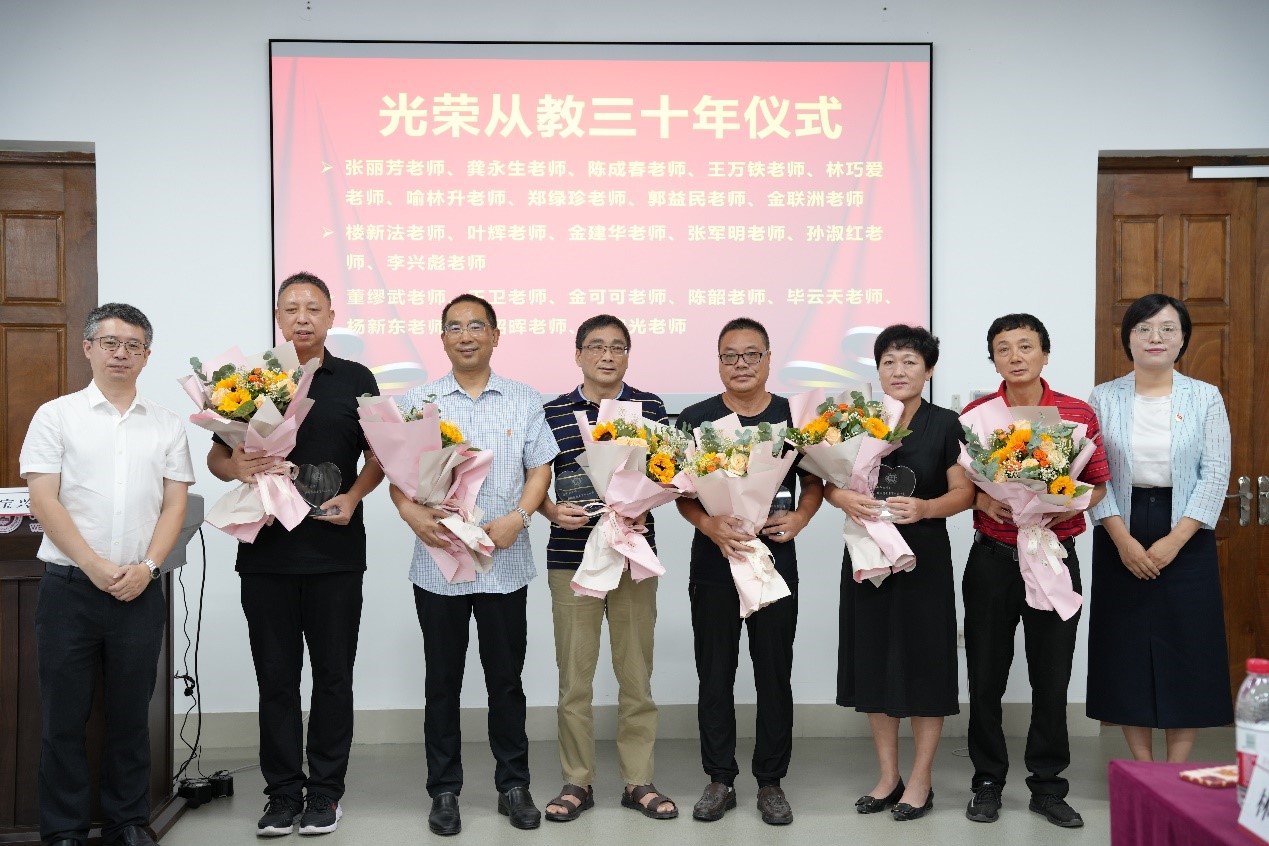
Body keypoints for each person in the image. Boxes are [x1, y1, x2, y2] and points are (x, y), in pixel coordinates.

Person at [207, 271, 384, 837]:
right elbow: (218, 456)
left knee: (333, 677)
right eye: (291, 309)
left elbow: (383, 454)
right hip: (266, 553)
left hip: (335, 553)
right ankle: (283, 793)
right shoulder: (253, 381)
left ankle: (326, 793)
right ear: (278, 319)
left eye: (313, 308)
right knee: (276, 679)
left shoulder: (355, 379)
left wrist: (354, 497)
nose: (302, 317)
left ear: (331, 317)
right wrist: (237, 467)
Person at [21, 303, 195, 846]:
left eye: (133, 345)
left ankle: (127, 822)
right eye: (111, 343)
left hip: (139, 591)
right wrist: (93, 565)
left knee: (130, 717)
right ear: (88, 348)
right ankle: (64, 830)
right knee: (64, 718)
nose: (122, 353)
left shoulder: (166, 424)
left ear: (147, 356)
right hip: (69, 590)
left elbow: (175, 505)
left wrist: (148, 567)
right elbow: (43, 499)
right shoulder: (56, 416)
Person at [390, 293, 558, 836]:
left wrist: (520, 518)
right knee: (442, 683)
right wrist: (411, 515)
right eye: (455, 327)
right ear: (442, 338)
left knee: (505, 681)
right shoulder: (418, 402)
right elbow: (397, 477)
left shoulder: (524, 398)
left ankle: (514, 785)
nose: (466, 335)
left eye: (477, 326)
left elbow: (540, 468)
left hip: (504, 563)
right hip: (438, 564)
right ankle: (444, 791)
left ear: (495, 335)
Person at [959, 313, 1109, 829]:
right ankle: (987, 781)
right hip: (993, 558)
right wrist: (982, 497)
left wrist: (1070, 506)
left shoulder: (1076, 412)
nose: (1015, 356)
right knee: (985, 674)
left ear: (1045, 354)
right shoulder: (978, 415)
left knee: (1052, 674)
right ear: (993, 359)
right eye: (1003, 348)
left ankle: (1047, 786)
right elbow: (960, 482)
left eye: (1026, 346)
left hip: (1053, 555)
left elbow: (1098, 482)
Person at [675, 317, 823, 827]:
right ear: (718, 362)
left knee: (773, 672)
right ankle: (719, 777)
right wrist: (708, 524)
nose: (741, 364)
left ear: (768, 359)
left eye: (751, 354)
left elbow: (816, 480)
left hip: (774, 560)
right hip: (714, 563)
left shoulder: (793, 417)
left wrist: (801, 517)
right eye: (730, 356)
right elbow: (682, 495)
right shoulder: (695, 419)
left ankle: (771, 781)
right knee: (715, 674)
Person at [824, 325, 974, 821]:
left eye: (910, 361)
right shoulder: (857, 421)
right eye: (889, 361)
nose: (899, 370)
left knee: (926, 662)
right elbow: (827, 480)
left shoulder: (946, 423)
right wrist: (841, 497)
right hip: (867, 553)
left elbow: (964, 493)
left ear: (928, 370)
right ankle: (888, 776)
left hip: (922, 556)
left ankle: (921, 779)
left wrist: (927, 508)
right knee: (874, 659)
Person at [538, 314, 677, 822]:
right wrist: (550, 511)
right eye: (596, 346)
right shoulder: (552, 412)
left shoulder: (650, 408)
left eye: (618, 347)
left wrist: (647, 504)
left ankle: (638, 780)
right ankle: (577, 781)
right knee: (574, 679)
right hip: (570, 557)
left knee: (636, 674)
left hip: (633, 554)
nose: (607, 355)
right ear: (578, 354)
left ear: (628, 356)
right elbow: (533, 479)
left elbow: (669, 474)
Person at [1086, 294, 1232, 761]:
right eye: (1144, 328)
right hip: (1120, 527)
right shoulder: (1103, 397)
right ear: (1128, 338)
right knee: (1125, 646)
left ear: (1182, 339)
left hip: (1186, 528)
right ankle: (1144, 770)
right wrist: (1122, 538)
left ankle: (1173, 771)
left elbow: (1215, 473)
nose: (1156, 338)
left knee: (1188, 646)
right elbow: (1092, 472)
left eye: (1168, 328)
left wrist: (1176, 539)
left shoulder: (1205, 396)